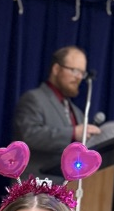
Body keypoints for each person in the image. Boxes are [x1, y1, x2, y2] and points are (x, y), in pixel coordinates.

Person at [13, 46, 102, 178]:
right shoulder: (34, 99)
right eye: (74, 70)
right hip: (36, 189)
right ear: (56, 69)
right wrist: (72, 133)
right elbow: (29, 135)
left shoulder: (77, 112)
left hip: (67, 190)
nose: (78, 78)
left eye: (81, 73)